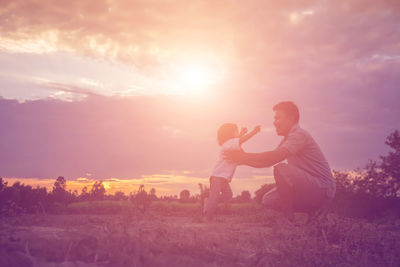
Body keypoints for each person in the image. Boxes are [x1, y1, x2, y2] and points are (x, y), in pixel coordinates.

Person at [225, 101, 336, 221]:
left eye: (278, 118)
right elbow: (267, 162)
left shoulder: (298, 135)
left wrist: (244, 156)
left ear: (291, 118)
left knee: (282, 169)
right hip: (311, 186)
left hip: (323, 187)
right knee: (269, 199)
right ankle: (313, 213)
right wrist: (242, 160)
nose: (274, 122)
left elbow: (274, 157)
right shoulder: (288, 138)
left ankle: (289, 219)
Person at [204, 123, 261, 221]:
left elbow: (238, 142)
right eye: (236, 130)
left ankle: (208, 202)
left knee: (228, 195)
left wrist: (241, 134)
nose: (238, 133)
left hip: (224, 178)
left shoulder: (232, 145)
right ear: (230, 133)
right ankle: (208, 217)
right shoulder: (228, 143)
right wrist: (253, 132)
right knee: (215, 196)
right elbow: (240, 140)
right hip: (217, 176)